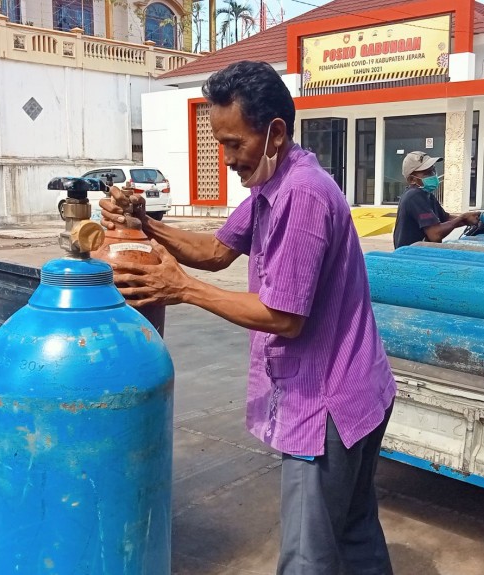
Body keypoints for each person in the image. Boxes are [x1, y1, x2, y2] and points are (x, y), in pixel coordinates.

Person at [99, 60, 396, 575]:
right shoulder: (271, 184)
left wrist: (181, 289)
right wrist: (144, 223)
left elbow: (283, 318)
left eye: (235, 143)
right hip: (359, 390)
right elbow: (215, 251)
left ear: (274, 132)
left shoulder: (300, 195)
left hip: (327, 403)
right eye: (220, 142)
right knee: (353, 531)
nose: (227, 157)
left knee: (309, 554)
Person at [392, 151, 482, 248]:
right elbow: (435, 234)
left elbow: (445, 218)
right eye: (427, 173)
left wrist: (470, 218)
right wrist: (462, 218)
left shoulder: (426, 195)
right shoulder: (414, 196)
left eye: (433, 170)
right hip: (410, 256)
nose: (433, 175)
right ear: (412, 180)